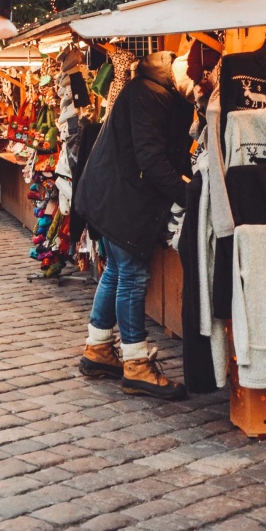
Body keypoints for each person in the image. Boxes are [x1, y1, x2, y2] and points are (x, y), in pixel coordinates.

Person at [75, 50, 194, 401]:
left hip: (113, 194)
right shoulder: (151, 95)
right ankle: (136, 364)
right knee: (132, 275)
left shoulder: (150, 89)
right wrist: (189, 192)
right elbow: (152, 158)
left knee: (117, 270)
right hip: (121, 198)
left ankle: (97, 349)